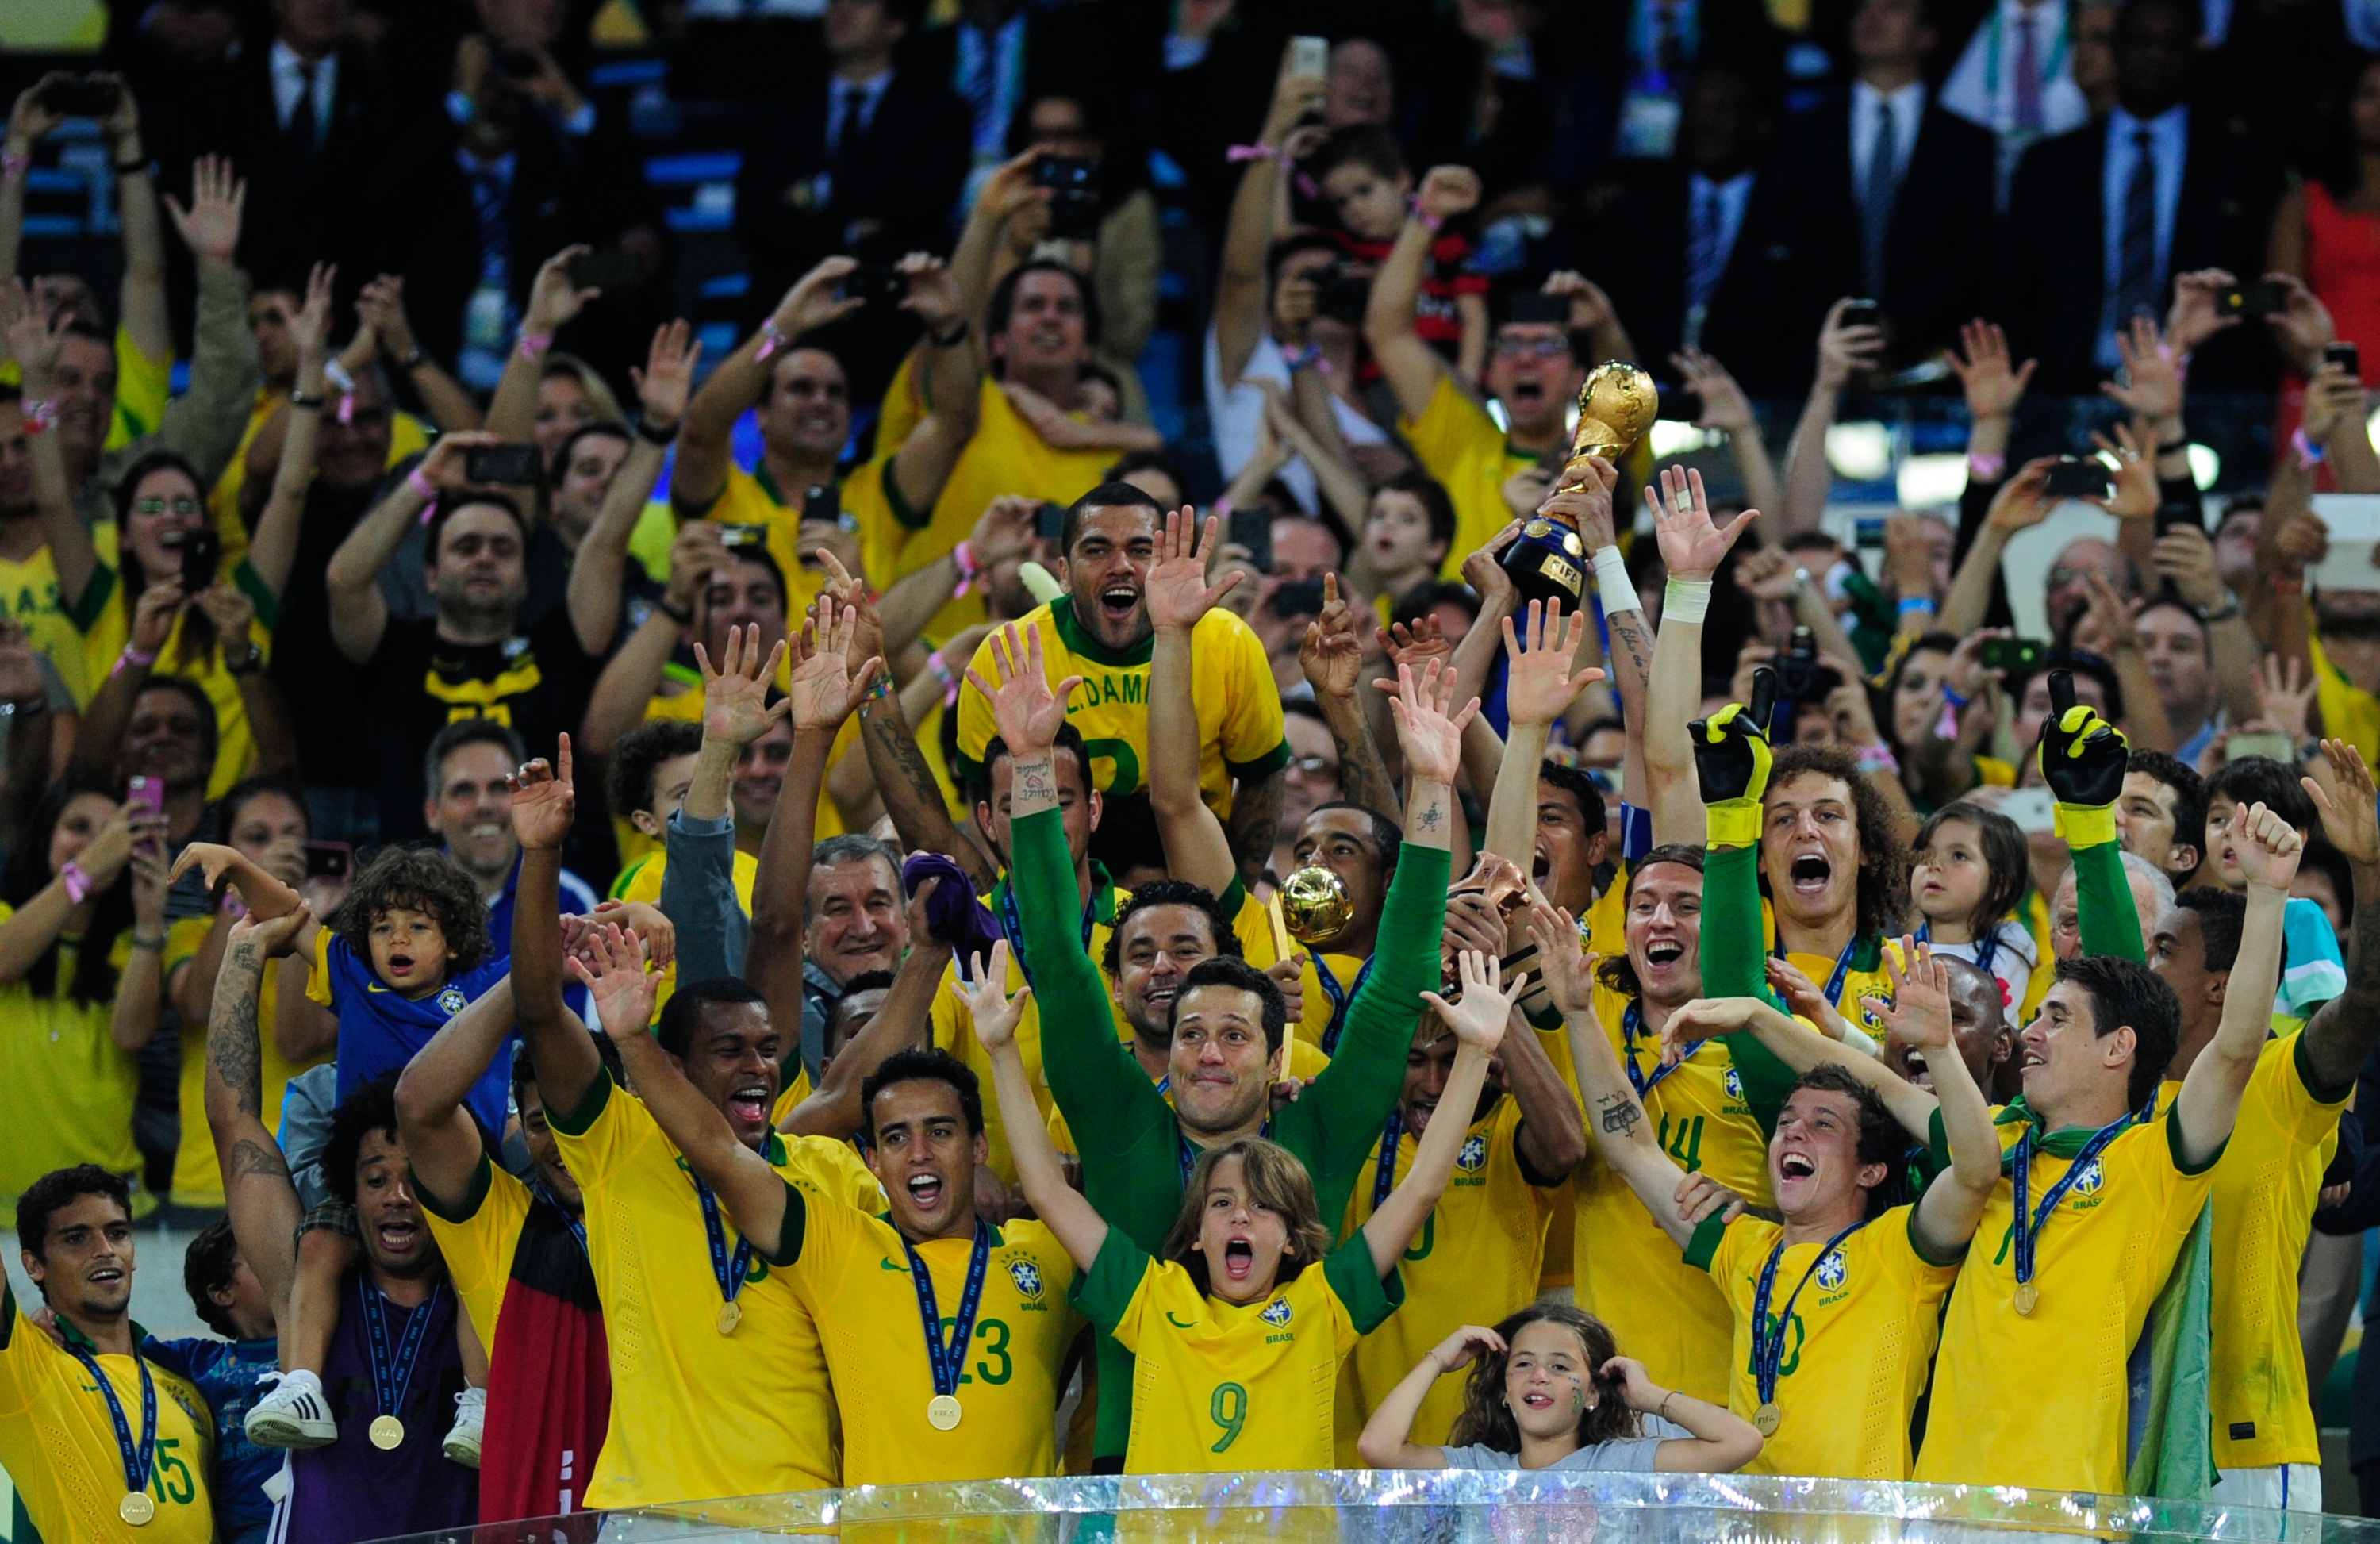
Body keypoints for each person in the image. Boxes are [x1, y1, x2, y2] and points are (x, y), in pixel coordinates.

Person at [988, 606, 1457, 1471]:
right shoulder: (1122, 1122)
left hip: (1283, 1501)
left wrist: (1431, 788)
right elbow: (1056, 954)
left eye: (1235, 1035)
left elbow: (1395, 988)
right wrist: (1027, 769)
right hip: (1126, 1487)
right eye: (1193, 1032)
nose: (1208, 1051)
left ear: (1277, 1052)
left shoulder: (1315, 1134)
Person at [501, 733, 887, 1506]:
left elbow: (778, 923)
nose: (759, 1066)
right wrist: (541, 856)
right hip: (651, 1511)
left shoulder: (827, 1166)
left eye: (768, 1048)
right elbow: (541, 1009)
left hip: (796, 1512)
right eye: (728, 1049)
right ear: (671, 1068)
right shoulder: (617, 1142)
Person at [1004, 928, 1522, 1473]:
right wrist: (999, 1050)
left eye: (1265, 1206)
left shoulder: (1324, 1304)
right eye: (1222, 1203)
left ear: (1296, 1237)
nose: (1243, 1214)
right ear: (1198, 1232)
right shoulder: (1154, 1299)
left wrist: (1476, 1053)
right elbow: (1046, 1191)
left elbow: (1421, 1188)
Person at [582, 924, 1078, 1484]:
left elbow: (1050, 1193)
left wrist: (1003, 1050)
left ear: (980, 1148)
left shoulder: (1050, 1256)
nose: (918, 1154)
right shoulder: (840, 1245)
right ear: (869, 1160)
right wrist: (632, 1041)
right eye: (895, 1138)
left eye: (940, 1132)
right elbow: (719, 1152)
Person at [1916, 797, 2303, 1492]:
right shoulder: (1998, 1141)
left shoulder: (2155, 1162)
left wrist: (2269, 893)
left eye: (2058, 1019)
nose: (2031, 1034)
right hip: (1940, 1498)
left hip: (2068, 1508)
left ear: (2118, 1047)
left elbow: (2238, 1047)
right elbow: (1897, 1098)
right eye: (2035, 1017)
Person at [1586, 924, 2001, 1480]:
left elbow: (1974, 1168)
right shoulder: (1745, 1248)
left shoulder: (1901, 1252)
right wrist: (1575, 1011)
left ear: (1872, 1170)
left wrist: (1939, 1049)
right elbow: (1631, 1150)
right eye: (1786, 1123)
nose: (1794, 1134)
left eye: (1823, 1125)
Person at [201, 912, 476, 1541]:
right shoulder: (303, 1283)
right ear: (348, 1191)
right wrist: (244, 955)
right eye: (376, 1180)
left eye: (419, 1178)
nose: (399, 1199)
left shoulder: (489, 1294)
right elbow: (233, 1121)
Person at [954, 486, 1288, 885]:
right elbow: (985, 793)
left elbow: (1261, 777)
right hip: (1065, 896)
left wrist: (1234, 896)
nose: (1122, 565)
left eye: (1142, 550)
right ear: (1063, 572)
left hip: (1193, 886)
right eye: (1097, 550)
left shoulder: (1227, 641)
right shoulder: (1008, 655)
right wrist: (1038, 897)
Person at [323, 436, 615, 873]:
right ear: (431, 574)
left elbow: (609, 541)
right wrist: (425, 482)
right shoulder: (396, 653)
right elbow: (345, 581)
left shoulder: (559, 646)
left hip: (561, 899)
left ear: (526, 578)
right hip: (416, 905)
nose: (484, 558)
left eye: (503, 549)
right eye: (466, 547)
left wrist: (657, 428)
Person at [394, 971, 614, 1521]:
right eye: (541, 1123)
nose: (563, 1142)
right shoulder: (504, 1225)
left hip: (668, 1512)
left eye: (579, 1119)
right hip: (546, 1515)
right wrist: (528, 979)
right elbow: (420, 1104)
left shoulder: (684, 1212)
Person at [1999, 0, 2282, 392]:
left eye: (2172, 44)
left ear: (2196, 51)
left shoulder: (2242, 165)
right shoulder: (2050, 166)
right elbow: (2012, 288)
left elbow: (2268, 295)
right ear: (2116, 48)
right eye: (2141, 41)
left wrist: (2217, 305)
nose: (2155, 55)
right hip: (2066, 392)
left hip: (2203, 392)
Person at [1773, 0, 1998, 368]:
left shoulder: (1966, 143)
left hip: (1931, 364)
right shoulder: (1804, 134)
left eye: (1892, 7)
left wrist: (1900, 325)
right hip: (1811, 360)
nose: (1872, 17)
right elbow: (1786, 250)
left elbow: (1974, 256)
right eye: (1861, 6)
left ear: (1927, 35)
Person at [2, 1166, 217, 1541]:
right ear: (33, 1265)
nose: (105, 1250)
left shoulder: (184, 1389)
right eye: (76, 1239)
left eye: (117, 1234)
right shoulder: (27, 1368)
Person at [0, 777, 168, 1208]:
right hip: (9, 1208)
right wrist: (87, 869)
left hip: (107, 1209)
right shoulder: (5, 921)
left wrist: (151, 921)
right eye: (79, 827)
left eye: (116, 830)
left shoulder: (133, 945)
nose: (101, 842)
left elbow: (132, 1035)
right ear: (45, 838)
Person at [1360, 1309, 1760, 1473]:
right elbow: (1379, 1448)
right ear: (1504, 1391)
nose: (1538, 1375)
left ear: (1592, 1394)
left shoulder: (1620, 1464)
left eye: (1560, 1366)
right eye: (1522, 1364)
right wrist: (1437, 1362)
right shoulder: (1480, 1470)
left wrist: (1649, 1396)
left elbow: (1740, 1441)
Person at [144, 1216, 278, 1544]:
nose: (283, 1267)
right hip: (245, 1529)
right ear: (222, 1293)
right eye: (262, 1259)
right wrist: (51, 1323)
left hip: (319, 1518)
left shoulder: (328, 1343)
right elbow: (113, 1341)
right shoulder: (198, 1360)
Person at [1909, 801, 2041, 1019]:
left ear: (2000, 886)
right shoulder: (1892, 956)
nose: (1934, 864)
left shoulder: (2015, 943)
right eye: (1926, 854)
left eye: (1959, 855)